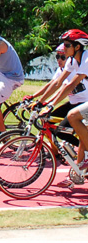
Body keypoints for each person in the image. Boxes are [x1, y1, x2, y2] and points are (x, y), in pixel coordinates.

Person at [46, 29, 88, 171]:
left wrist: (51, 104)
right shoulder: (72, 61)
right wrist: (42, 102)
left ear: (77, 47)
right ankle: (79, 173)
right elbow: (58, 82)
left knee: (72, 116)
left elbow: (71, 85)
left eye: (67, 45)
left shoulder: (86, 59)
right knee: (74, 132)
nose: (64, 48)